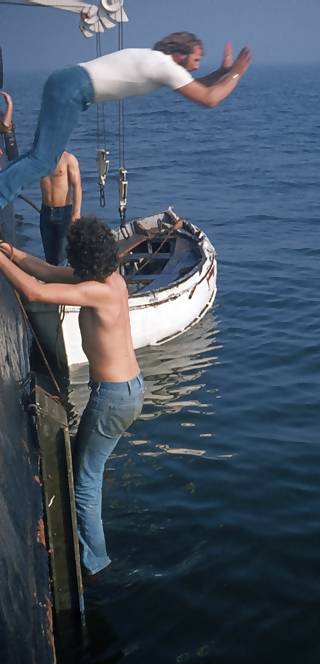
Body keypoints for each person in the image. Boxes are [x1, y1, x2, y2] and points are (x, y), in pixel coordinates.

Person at [0, 216, 144, 577]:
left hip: (114, 396)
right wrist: (12, 252)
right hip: (125, 390)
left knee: (85, 482)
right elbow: (46, 272)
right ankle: (89, 553)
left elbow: (35, 292)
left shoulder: (99, 290)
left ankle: (94, 564)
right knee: (87, 468)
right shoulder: (109, 280)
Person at [0, 32, 251, 208]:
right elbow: (208, 99)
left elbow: (196, 86)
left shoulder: (157, 62)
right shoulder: (165, 65)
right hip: (73, 89)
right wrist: (238, 71)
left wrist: (223, 72)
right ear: (179, 54)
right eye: (196, 60)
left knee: (40, 158)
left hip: (66, 81)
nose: (196, 67)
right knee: (43, 161)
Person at [40, 151, 82, 265]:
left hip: (63, 213)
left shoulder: (68, 159)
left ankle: (60, 279)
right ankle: (51, 280)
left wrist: (76, 213)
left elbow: (77, 186)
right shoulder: (39, 158)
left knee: (61, 256)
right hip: (46, 211)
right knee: (49, 257)